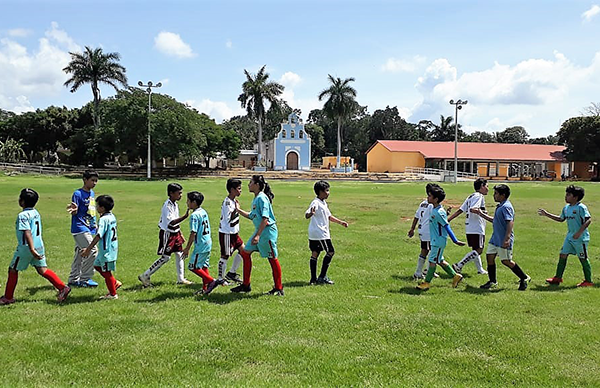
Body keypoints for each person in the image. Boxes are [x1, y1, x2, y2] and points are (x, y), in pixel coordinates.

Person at [0, 188, 71, 305]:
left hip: (27, 248)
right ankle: (63, 288)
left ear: (22, 202)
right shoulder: (35, 212)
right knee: (42, 270)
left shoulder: (23, 215)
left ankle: (8, 297)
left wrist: (31, 249)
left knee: (13, 269)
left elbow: (27, 231)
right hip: (39, 246)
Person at [472, 184, 531, 291]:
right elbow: (494, 220)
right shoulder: (500, 206)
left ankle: (524, 277)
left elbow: (510, 222)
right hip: (495, 239)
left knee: (506, 261)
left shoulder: (506, 207)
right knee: (489, 257)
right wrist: (480, 214)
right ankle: (492, 281)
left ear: (503, 195)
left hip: (503, 239)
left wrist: (507, 238)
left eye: (496, 194)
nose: (494, 195)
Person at [231, 175, 283, 296]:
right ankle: (246, 285)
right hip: (259, 231)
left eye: (250, 182)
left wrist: (258, 236)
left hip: (266, 232)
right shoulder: (256, 198)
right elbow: (252, 216)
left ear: (257, 185)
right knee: (245, 253)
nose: (248, 185)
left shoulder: (262, 198)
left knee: (272, 258)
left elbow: (265, 218)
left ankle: (279, 288)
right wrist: (239, 210)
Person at [538, 185, 593, 287]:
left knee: (583, 258)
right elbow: (561, 219)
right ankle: (558, 277)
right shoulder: (566, 208)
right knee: (562, 255)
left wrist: (579, 232)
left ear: (575, 197)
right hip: (569, 237)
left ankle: (588, 281)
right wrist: (547, 214)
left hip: (580, 238)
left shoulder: (581, 207)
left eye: (568, 195)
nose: (565, 196)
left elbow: (588, 220)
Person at [138, 183, 191, 287]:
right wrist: (184, 217)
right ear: (171, 193)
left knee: (180, 254)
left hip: (175, 233)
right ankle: (145, 274)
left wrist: (180, 234)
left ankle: (181, 278)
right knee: (165, 258)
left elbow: (176, 222)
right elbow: (171, 222)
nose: (181, 195)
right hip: (168, 234)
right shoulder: (167, 206)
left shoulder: (175, 204)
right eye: (179, 193)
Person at [416, 185, 465, 291]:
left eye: (430, 196)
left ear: (436, 199)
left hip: (438, 241)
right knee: (440, 260)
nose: (428, 198)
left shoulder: (439, 212)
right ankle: (455, 276)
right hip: (435, 241)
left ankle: (426, 283)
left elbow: (446, 225)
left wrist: (455, 240)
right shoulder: (435, 210)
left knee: (432, 261)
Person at [305, 180, 348, 285]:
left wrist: (340, 222)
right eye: (326, 191)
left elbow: (329, 216)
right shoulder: (316, 202)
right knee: (330, 251)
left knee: (315, 253)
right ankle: (322, 277)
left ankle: (313, 279)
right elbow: (306, 215)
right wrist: (311, 213)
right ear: (320, 192)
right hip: (320, 233)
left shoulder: (323, 203)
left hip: (315, 233)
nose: (328, 193)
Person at [82, 195, 122, 300]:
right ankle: (114, 283)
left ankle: (113, 294)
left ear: (102, 208)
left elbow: (99, 235)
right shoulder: (112, 216)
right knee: (97, 265)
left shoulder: (104, 219)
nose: (96, 207)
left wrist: (88, 249)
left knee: (106, 272)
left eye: (97, 205)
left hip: (106, 250)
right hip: (111, 247)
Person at [182, 191, 220, 295]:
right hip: (208, 242)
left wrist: (187, 248)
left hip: (200, 245)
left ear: (194, 202)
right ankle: (205, 289)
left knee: (192, 266)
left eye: (188, 201)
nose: (187, 203)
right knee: (204, 266)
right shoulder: (203, 211)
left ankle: (212, 281)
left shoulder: (194, 215)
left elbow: (193, 233)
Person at [66, 170, 99, 288]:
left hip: (90, 227)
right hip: (80, 227)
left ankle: (73, 279)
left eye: (96, 181)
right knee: (92, 250)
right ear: (85, 180)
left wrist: (95, 224)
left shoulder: (92, 193)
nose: (94, 183)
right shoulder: (78, 194)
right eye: (92, 180)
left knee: (80, 253)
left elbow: (91, 210)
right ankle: (85, 278)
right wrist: (74, 210)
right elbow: (75, 209)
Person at [449, 178, 489, 275]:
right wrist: (483, 213)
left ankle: (480, 269)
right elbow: (473, 209)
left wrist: (448, 220)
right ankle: (459, 265)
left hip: (469, 227)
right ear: (482, 186)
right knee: (479, 250)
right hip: (477, 227)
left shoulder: (471, 196)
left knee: (475, 249)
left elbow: (460, 210)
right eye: (487, 186)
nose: (488, 189)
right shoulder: (479, 196)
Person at [407, 183, 440, 280]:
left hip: (422, 230)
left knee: (427, 250)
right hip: (429, 231)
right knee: (430, 251)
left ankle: (426, 270)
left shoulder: (423, 203)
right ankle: (420, 272)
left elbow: (417, 216)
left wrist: (412, 228)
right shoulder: (431, 205)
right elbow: (435, 217)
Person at [217, 178, 244, 285]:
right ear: (232, 190)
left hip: (234, 233)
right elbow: (229, 218)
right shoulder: (227, 202)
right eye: (238, 188)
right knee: (225, 256)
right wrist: (236, 209)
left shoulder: (233, 201)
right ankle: (220, 278)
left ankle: (232, 273)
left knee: (244, 251)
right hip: (227, 233)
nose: (240, 190)